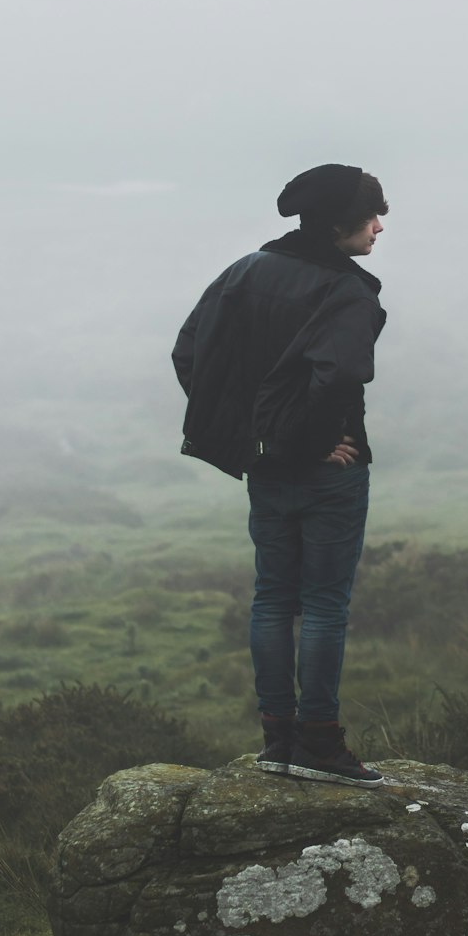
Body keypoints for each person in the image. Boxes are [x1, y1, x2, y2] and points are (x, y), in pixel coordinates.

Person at [172, 163, 388, 785]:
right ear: (338, 224)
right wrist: (313, 442)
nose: (379, 227)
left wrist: (251, 438)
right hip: (328, 475)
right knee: (323, 605)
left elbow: (191, 351)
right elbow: (339, 376)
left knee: (271, 599)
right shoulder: (347, 290)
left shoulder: (244, 272)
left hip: (264, 469)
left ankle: (277, 740)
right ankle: (320, 743)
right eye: (372, 217)